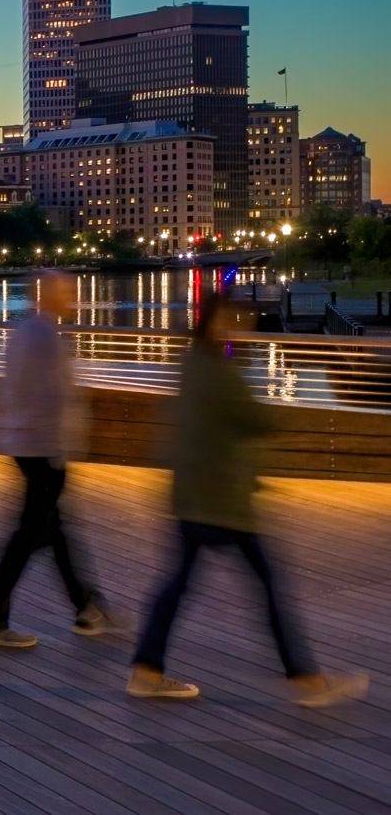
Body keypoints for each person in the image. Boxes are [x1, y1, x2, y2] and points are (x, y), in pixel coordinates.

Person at [127, 297, 367, 705]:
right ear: (215, 324)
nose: (239, 328)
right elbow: (258, 420)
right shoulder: (221, 372)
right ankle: (306, 681)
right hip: (225, 501)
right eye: (232, 321)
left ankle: (146, 670)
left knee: (178, 584)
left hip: (190, 493)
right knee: (268, 586)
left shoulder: (190, 365)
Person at [0, 271, 106, 649]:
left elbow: (11, 390)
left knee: (52, 528)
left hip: (24, 443)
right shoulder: (45, 337)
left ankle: (87, 608)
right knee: (29, 535)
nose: (72, 298)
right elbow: (55, 399)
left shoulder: (24, 332)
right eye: (65, 292)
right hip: (42, 448)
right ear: (47, 295)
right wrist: (62, 451)